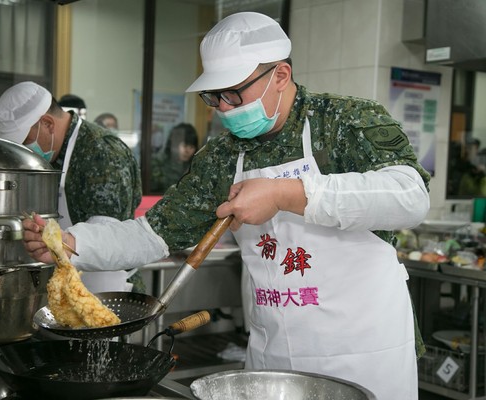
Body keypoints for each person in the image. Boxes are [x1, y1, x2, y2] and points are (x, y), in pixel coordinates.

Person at [22, 12, 430, 399]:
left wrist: (286, 194)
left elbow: (409, 196)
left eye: (233, 92)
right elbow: (153, 233)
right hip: (273, 358)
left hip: (362, 357)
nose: (223, 107)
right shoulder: (222, 156)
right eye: (213, 96)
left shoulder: (344, 122)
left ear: (281, 75)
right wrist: (73, 242)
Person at [0, 81, 143, 293]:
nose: (24, 150)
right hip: (70, 281)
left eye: (24, 141)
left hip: (107, 287)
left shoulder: (102, 153)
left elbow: (109, 234)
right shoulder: (53, 152)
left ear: (47, 124)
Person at [151, 122, 199, 193]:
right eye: (185, 146)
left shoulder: (196, 166)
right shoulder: (158, 163)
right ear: (174, 145)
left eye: (191, 147)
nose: (188, 151)